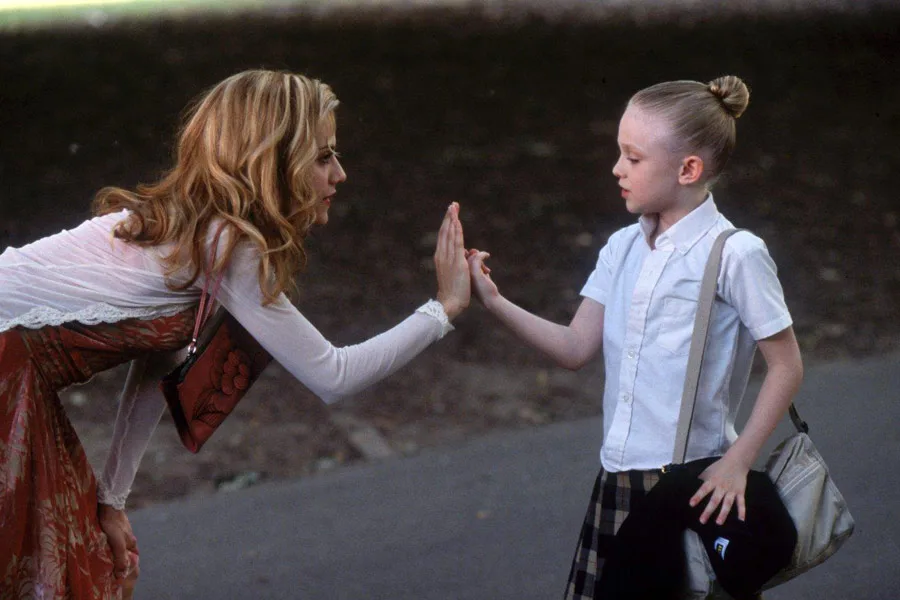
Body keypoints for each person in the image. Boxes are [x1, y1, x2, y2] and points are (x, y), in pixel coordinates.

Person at [0, 69, 471, 599]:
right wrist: (443, 309)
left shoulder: (194, 229)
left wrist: (112, 499)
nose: (340, 174)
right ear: (272, 164)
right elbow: (333, 375)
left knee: (77, 570)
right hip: (9, 381)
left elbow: (158, 365)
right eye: (322, 157)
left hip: (18, 383)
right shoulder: (224, 243)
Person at [465, 75, 804, 599]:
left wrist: (737, 462)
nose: (616, 168)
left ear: (688, 169)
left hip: (695, 486)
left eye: (633, 157)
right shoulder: (622, 247)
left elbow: (787, 365)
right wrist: (494, 301)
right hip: (618, 482)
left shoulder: (735, 254)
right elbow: (575, 348)